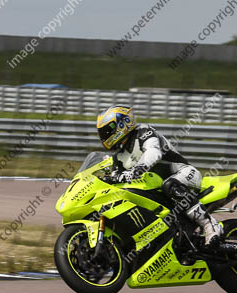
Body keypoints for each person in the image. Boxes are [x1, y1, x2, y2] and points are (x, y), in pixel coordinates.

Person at [96, 105, 224, 245]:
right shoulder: (119, 157)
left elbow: (153, 152)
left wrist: (137, 170)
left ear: (122, 124)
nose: (105, 135)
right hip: (158, 190)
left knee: (170, 185)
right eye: (103, 133)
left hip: (184, 174)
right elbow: (116, 178)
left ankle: (210, 225)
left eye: (107, 130)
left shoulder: (144, 132)